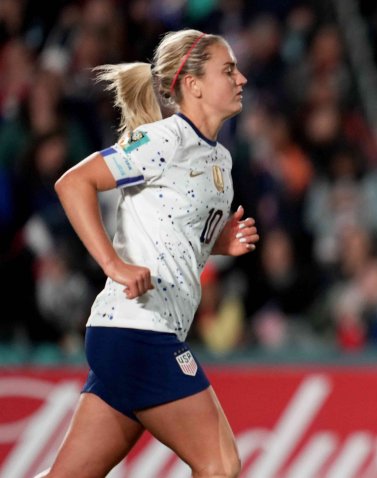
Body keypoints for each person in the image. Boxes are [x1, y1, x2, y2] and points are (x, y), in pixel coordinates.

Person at [40, 29, 256, 478]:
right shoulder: (165, 140)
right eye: (228, 69)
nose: (242, 79)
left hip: (137, 336)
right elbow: (73, 183)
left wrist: (217, 244)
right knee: (220, 465)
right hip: (139, 331)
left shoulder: (221, 161)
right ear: (193, 84)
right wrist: (112, 264)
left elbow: (171, 231)